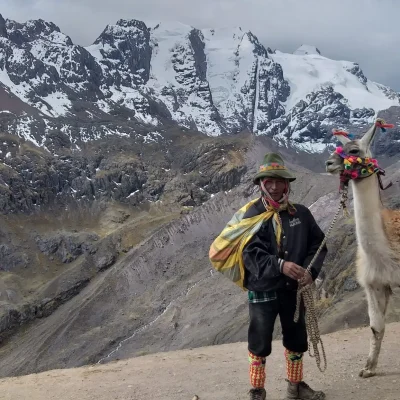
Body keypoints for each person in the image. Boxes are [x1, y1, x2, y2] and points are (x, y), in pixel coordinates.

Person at [243, 153, 327, 400]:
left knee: (296, 338)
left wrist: (310, 271)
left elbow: (318, 244)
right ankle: (257, 391)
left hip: (294, 288)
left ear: (287, 184)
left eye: (280, 181)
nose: (275, 186)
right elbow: (249, 253)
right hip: (262, 288)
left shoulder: (300, 214)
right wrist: (279, 265)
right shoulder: (252, 215)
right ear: (261, 184)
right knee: (259, 342)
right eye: (269, 181)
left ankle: (295, 386)